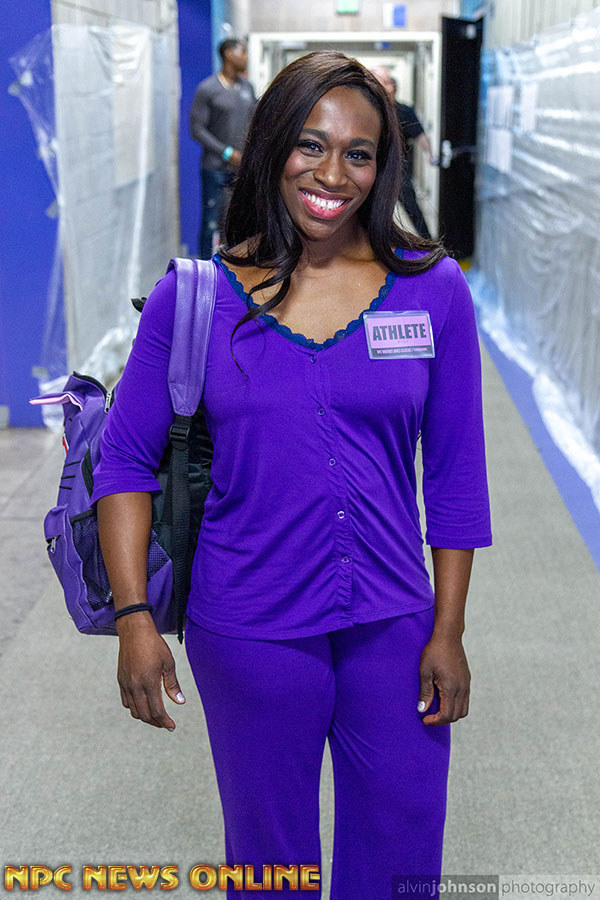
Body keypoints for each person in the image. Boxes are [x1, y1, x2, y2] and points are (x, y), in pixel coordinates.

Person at [93, 50, 492, 900]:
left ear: (383, 168)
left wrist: (449, 628)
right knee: (271, 862)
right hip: (249, 626)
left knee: (404, 849)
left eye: (358, 153)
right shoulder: (196, 299)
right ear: (273, 145)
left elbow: (457, 473)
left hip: (394, 622)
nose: (332, 174)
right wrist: (134, 620)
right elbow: (124, 462)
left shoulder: (432, 291)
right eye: (311, 145)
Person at [190, 38, 256, 259]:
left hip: (241, 171)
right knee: (211, 223)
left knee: (237, 221)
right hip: (215, 170)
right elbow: (197, 130)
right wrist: (227, 153)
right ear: (228, 54)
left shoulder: (247, 88)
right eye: (242, 52)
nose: (245, 57)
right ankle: (204, 269)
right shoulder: (208, 89)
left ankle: (232, 268)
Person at [372, 65, 435, 240]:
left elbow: (421, 136)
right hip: (373, 168)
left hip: (398, 170)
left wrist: (430, 155)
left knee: (412, 208)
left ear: (391, 87)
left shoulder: (404, 112)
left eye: (381, 82)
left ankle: (429, 244)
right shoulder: (370, 111)